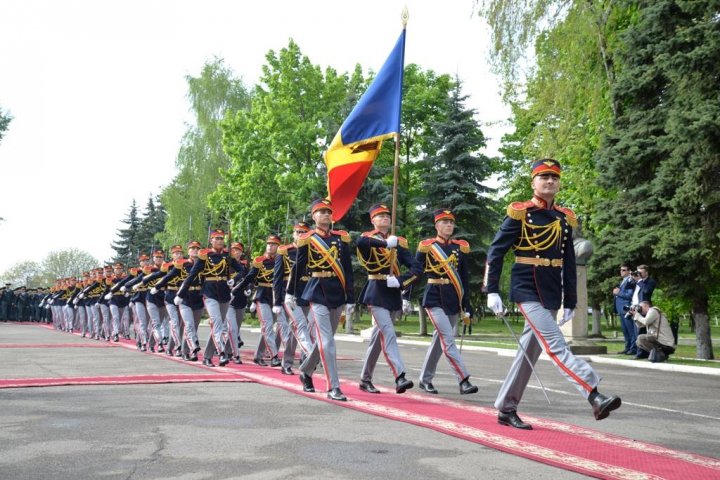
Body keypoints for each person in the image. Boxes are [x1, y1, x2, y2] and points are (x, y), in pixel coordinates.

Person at [485, 158, 621, 430]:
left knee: (528, 354)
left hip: (551, 291)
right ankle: (593, 393)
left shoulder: (564, 217)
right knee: (557, 345)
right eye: (544, 177)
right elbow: (496, 252)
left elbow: (568, 262)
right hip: (526, 289)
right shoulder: (520, 213)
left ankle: (506, 408)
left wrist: (570, 299)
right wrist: (491, 290)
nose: (549, 181)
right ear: (533, 182)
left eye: (554, 178)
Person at [286, 198, 354, 402]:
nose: (325, 214)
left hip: (337, 291)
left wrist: (350, 298)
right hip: (317, 291)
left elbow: (348, 270)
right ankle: (333, 386)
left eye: (328, 211)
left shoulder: (341, 238)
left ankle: (306, 371)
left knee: (324, 341)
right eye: (321, 212)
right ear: (314, 216)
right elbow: (298, 267)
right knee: (327, 340)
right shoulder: (308, 239)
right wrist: (290, 293)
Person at [356, 203, 421, 394]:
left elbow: (417, 268)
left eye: (387, 215)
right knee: (389, 333)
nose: (385, 217)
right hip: (375, 291)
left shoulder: (398, 242)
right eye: (380, 215)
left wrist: (401, 281)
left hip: (392, 292)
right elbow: (360, 243)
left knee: (378, 339)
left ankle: (364, 379)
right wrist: (385, 244)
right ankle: (400, 376)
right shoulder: (369, 238)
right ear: (372, 220)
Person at [413, 208, 478, 396]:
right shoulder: (427, 246)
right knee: (448, 340)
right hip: (433, 297)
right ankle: (463, 380)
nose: (449, 225)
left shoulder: (460, 247)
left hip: (453, 297)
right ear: (436, 225)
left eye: (451, 222)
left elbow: (464, 278)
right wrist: (404, 293)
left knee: (438, 341)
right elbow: (416, 271)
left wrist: (467, 305)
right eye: (444, 222)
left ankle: (425, 380)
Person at [177, 229, 245, 367]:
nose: (220, 240)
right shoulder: (204, 255)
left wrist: (234, 279)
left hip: (225, 293)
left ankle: (207, 357)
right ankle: (221, 354)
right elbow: (192, 275)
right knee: (217, 322)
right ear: (211, 240)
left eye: (221, 238)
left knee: (217, 326)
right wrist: (181, 293)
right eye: (216, 238)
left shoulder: (227, 255)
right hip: (209, 292)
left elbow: (243, 270)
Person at [234, 234, 285, 368]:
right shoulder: (260, 261)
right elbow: (249, 278)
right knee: (267, 326)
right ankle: (274, 356)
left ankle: (258, 355)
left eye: (273, 244)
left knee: (267, 328)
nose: (270, 246)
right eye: (268, 244)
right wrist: (237, 289)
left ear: (279, 247)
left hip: (276, 297)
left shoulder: (283, 261)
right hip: (262, 296)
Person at [631, 264, 657, 359]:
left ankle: (641, 353)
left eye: (640, 272)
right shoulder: (637, 281)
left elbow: (646, 291)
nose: (639, 274)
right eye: (638, 272)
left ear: (646, 272)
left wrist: (640, 280)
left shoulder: (650, 281)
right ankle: (639, 351)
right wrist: (632, 277)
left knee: (641, 331)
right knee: (636, 331)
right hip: (636, 308)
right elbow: (629, 287)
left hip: (644, 309)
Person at [613, 264, 637, 355]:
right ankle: (627, 347)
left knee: (630, 330)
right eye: (621, 270)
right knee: (625, 330)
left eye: (624, 270)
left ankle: (633, 348)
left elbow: (629, 295)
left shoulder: (630, 282)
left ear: (629, 271)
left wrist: (618, 293)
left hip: (626, 309)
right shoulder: (623, 281)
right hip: (621, 309)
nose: (621, 272)